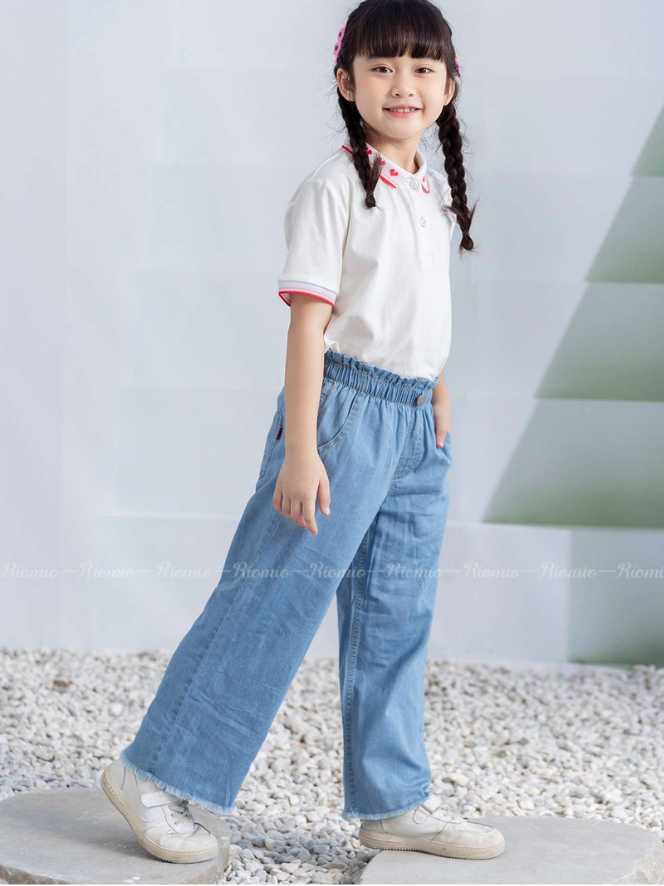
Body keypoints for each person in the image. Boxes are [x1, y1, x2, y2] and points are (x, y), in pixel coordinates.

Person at [102, 0, 506, 865]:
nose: (403, 84)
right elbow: (311, 325)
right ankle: (154, 771)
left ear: (450, 84)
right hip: (341, 417)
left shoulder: (428, 189)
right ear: (346, 83)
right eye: (381, 67)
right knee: (271, 598)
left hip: (414, 426)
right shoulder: (334, 187)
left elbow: (414, 306)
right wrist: (301, 447)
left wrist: (436, 388)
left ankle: (394, 799)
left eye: (422, 67)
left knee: (397, 613)